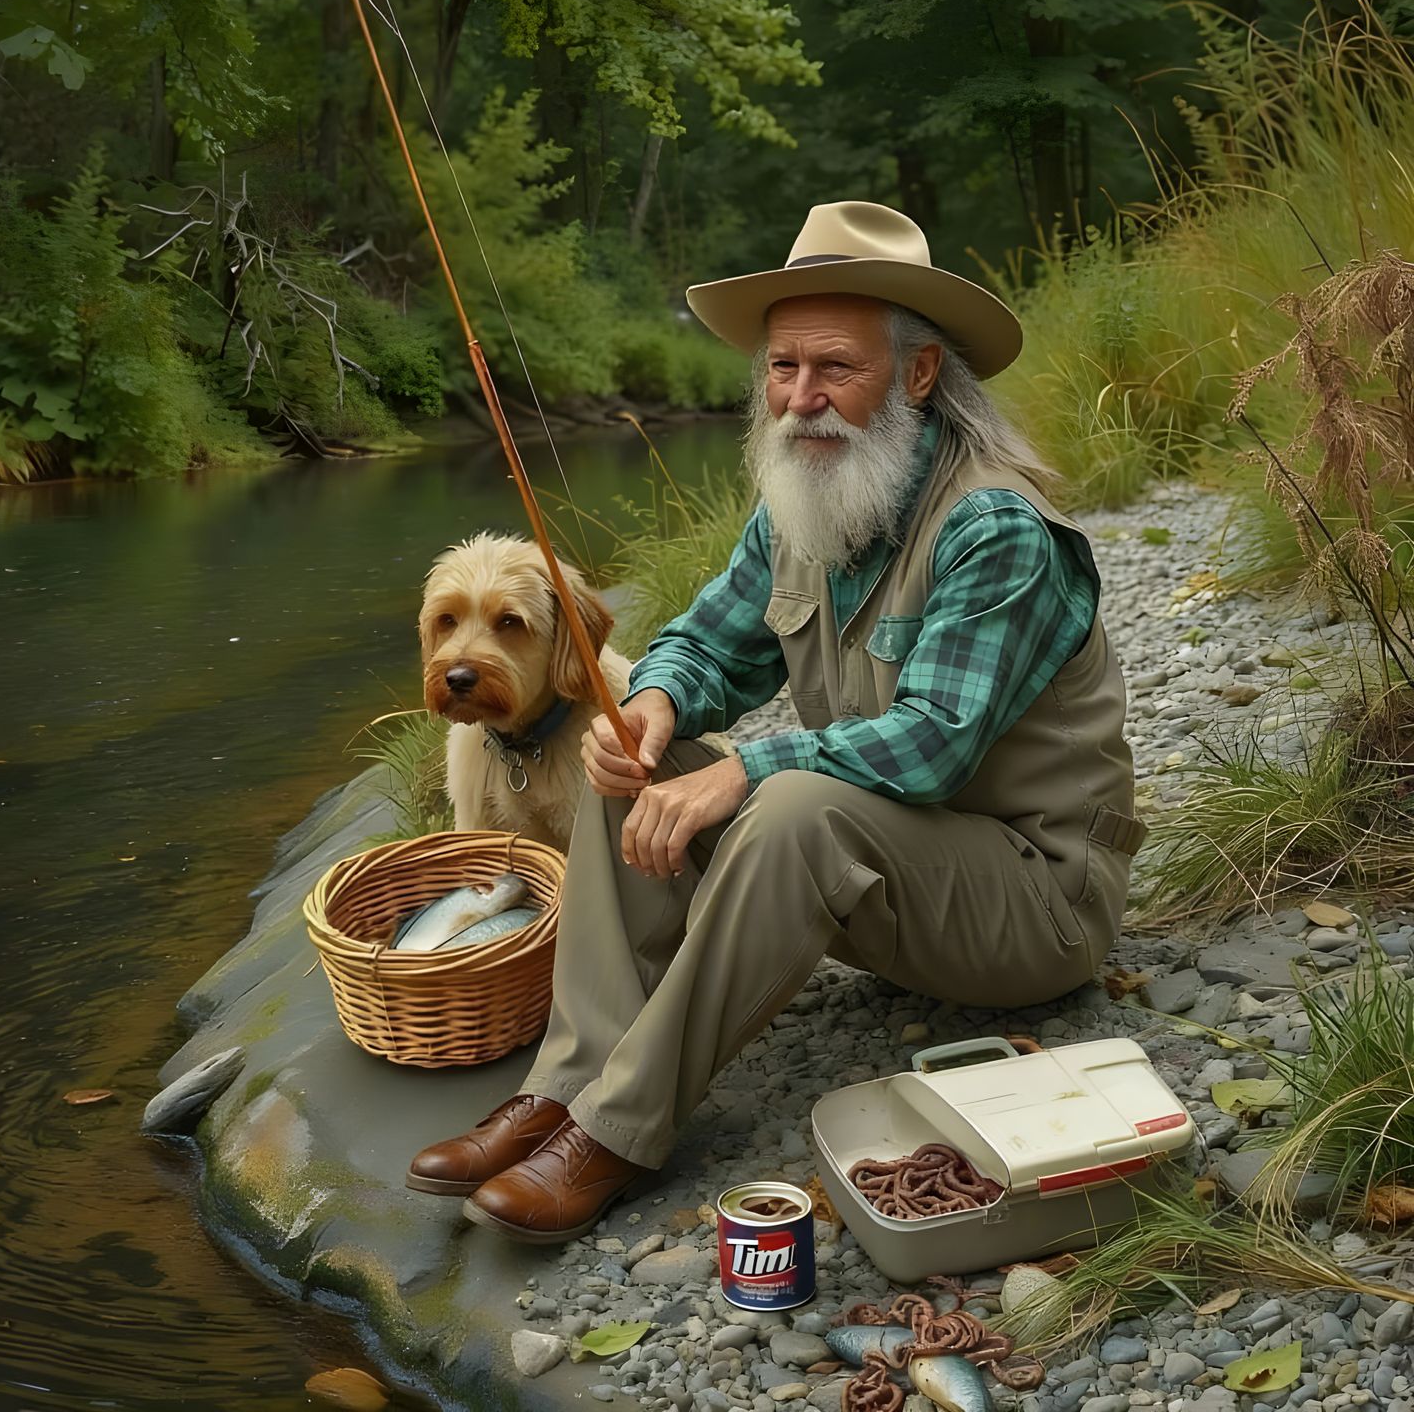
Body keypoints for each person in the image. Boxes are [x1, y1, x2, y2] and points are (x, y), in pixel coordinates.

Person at [405, 200, 1144, 1244]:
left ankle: (615, 1132)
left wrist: (746, 772)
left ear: (920, 374)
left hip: (1034, 907)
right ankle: (564, 1086)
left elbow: (931, 742)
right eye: (782, 366)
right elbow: (705, 643)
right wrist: (651, 710)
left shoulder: (996, 529)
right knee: (632, 761)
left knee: (787, 799)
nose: (801, 398)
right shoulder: (807, 497)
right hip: (896, 895)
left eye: (835, 367)